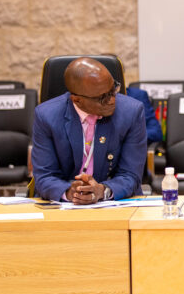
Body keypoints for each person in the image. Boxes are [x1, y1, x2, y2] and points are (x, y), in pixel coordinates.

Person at [32, 57, 147, 204]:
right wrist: (70, 192)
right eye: (103, 97)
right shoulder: (46, 116)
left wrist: (102, 191)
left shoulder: (132, 112)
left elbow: (131, 175)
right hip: (63, 205)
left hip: (114, 202)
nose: (112, 100)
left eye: (113, 90)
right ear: (77, 100)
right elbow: (44, 176)